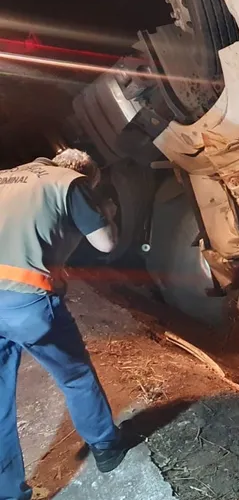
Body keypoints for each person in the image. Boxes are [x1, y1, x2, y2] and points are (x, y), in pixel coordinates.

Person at [0, 149, 127, 500]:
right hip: (26, 302)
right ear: (88, 175)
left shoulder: (7, 176)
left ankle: (8, 493)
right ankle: (105, 447)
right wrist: (108, 215)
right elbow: (106, 243)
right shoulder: (71, 183)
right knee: (74, 375)